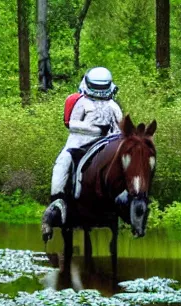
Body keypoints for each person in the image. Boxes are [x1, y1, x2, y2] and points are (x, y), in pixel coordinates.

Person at [44, 68, 124, 231]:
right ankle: (57, 200)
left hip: (106, 142)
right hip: (79, 142)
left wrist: (114, 133)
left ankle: (127, 200)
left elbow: (121, 126)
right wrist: (93, 129)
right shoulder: (82, 103)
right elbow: (72, 124)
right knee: (63, 161)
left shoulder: (113, 105)